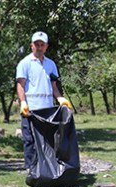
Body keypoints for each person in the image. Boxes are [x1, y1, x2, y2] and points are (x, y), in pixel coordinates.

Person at [15, 31, 73, 169]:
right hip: (31, 109)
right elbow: (20, 85)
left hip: (48, 109)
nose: (39, 47)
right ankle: (31, 169)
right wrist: (23, 102)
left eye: (42, 44)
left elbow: (54, 86)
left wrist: (60, 98)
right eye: (36, 44)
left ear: (46, 46)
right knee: (30, 140)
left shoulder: (51, 64)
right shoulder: (25, 63)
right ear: (32, 46)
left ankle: (47, 169)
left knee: (48, 140)